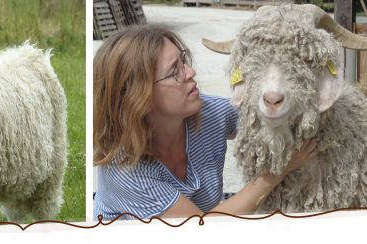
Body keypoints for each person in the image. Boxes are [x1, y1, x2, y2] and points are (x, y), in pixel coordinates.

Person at [93, 25, 317, 220]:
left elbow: (267, 119)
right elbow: (201, 229)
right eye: (175, 72)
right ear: (139, 96)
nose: (191, 72)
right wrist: (274, 174)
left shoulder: (208, 113)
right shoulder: (125, 172)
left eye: (184, 62)